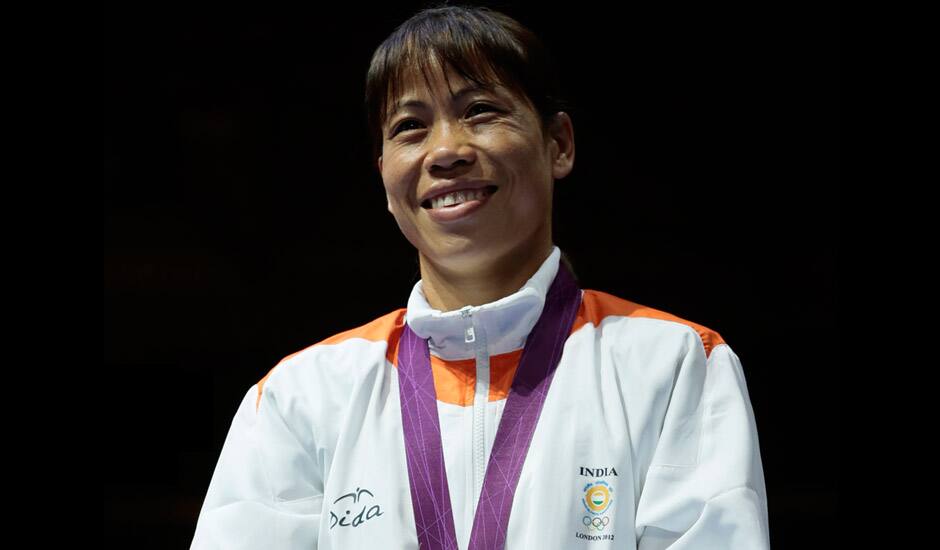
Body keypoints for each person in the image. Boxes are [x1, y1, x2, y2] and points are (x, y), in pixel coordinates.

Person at [190, 4, 770, 549]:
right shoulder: (299, 398)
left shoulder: (673, 365)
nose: (445, 151)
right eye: (410, 127)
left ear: (559, 144)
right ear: (384, 177)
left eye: (479, 111)